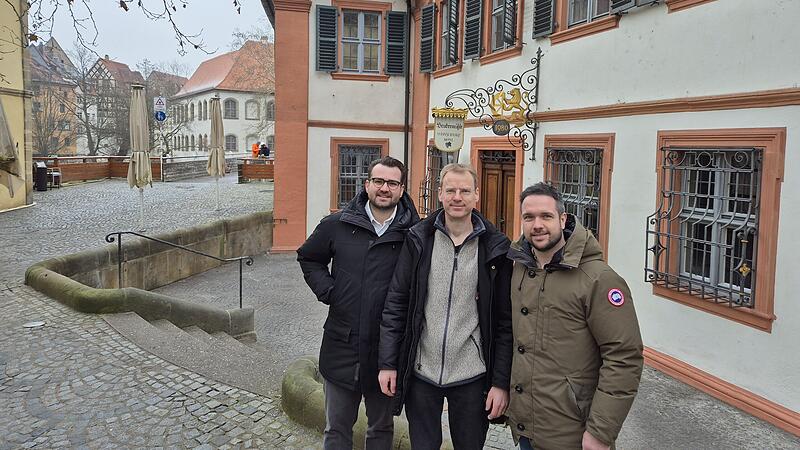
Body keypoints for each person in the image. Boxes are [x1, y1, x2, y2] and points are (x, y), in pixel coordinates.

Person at [378, 163, 513, 450]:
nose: (457, 197)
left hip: (471, 374)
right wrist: (388, 363)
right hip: (421, 370)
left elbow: (504, 323)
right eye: (450, 190)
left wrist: (500, 382)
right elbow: (397, 303)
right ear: (439, 194)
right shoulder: (418, 239)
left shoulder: (495, 248)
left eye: (465, 191)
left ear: (476, 195)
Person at [505, 182, 643, 450]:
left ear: (563, 218)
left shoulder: (598, 279)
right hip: (528, 429)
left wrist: (601, 432)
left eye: (546, 216)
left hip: (574, 435)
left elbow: (623, 357)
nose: (537, 225)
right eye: (529, 217)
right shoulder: (520, 267)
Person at [297, 156, 420, 450]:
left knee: (380, 429)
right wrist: (330, 292)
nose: (384, 188)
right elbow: (309, 258)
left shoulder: (415, 234)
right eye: (378, 181)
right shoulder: (337, 224)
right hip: (342, 345)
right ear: (367, 185)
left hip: (387, 352)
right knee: (336, 429)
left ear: (402, 189)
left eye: (392, 183)